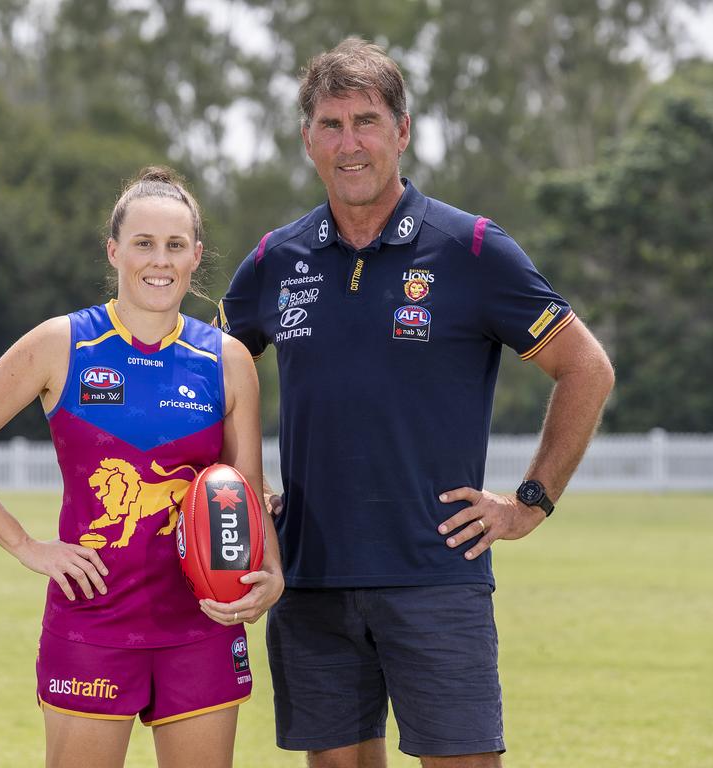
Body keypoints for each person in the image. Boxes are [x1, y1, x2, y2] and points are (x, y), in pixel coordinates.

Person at [216, 39, 615, 768]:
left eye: (366, 121)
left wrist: (529, 501)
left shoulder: (473, 250)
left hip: (437, 577)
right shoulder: (276, 260)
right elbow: (208, 380)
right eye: (330, 125)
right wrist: (240, 490)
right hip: (311, 580)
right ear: (307, 139)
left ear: (403, 131)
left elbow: (585, 368)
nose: (350, 143)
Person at [0, 166, 283, 768]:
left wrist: (270, 572)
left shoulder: (226, 358)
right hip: (91, 624)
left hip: (203, 625)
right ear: (114, 250)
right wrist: (27, 546)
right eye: (143, 243)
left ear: (196, 256)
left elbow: (244, 488)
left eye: (174, 246)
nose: (158, 261)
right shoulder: (60, 344)